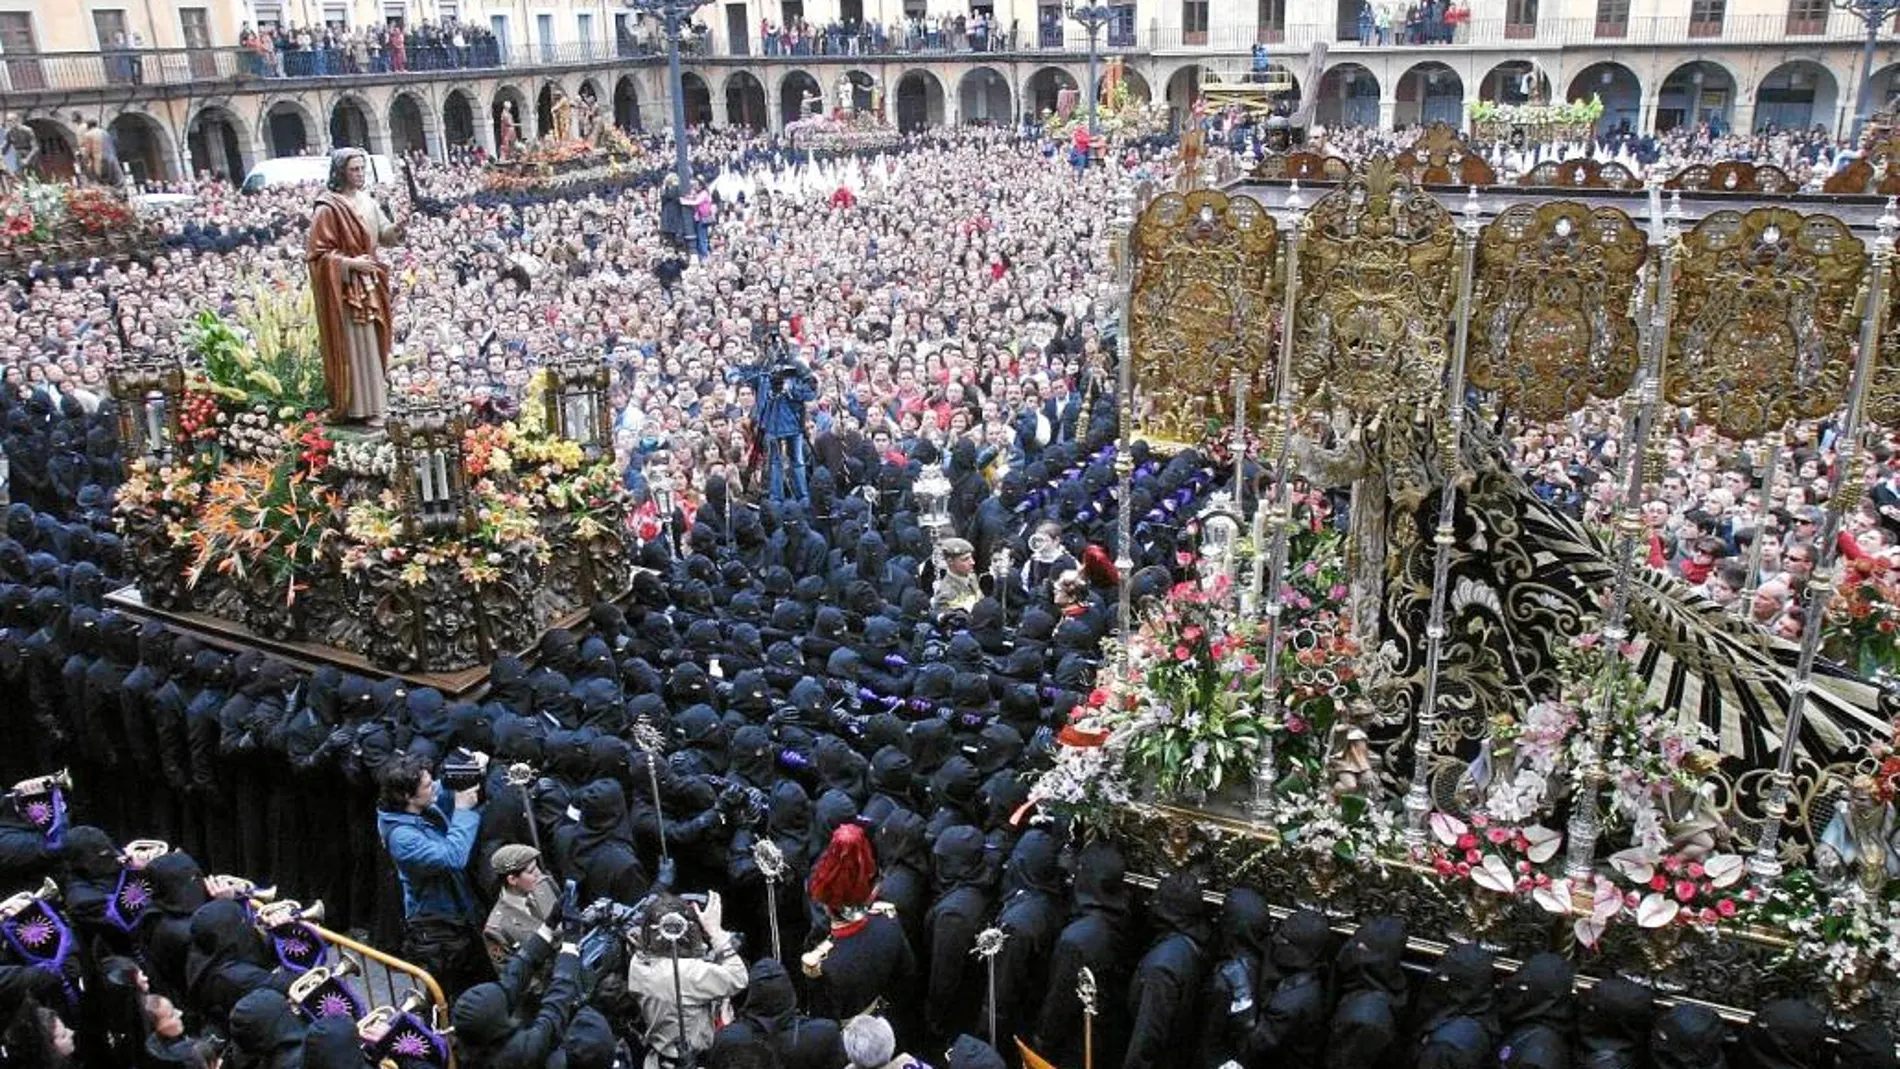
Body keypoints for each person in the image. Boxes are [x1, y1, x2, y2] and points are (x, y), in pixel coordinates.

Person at [375, 753, 487, 999]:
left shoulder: (414, 808)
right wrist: (464, 811)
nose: (434, 787)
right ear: (407, 796)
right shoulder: (402, 837)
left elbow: (441, 787)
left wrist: (466, 770)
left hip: (456, 911)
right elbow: (452, 857)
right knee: (446, 994)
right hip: (437, 926)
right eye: (427, 785)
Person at [307, 147, 404, 425]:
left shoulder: (367, 200)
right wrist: (349, 265)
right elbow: (318, 254)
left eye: (363, 168)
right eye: (354, 169)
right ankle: (362, 407)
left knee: (374, 342)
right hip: (346, 288)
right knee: (357, 345)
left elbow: (383, 235)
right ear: (341, 172)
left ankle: (378, 401)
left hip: (370, 280)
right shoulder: (328, 207)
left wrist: (396, 230)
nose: (360, 174)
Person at [624, 891, 747, 1069]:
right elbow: (738, 977)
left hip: (655, 1061)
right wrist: (716, 932)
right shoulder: (689, 974)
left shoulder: (639, 962)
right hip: (693, 1060)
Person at [484, 843, 558, 972]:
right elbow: (514, 979)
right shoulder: (497, 929)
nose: (538, 874)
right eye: (531, 871)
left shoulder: (545, 884)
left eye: (537, 867)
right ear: (512, 879)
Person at [931, 538, 982, 618]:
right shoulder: (946, 593)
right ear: (950, 561)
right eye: (965, 559)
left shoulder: (973, 578)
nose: (972, 562)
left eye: (971, 558)